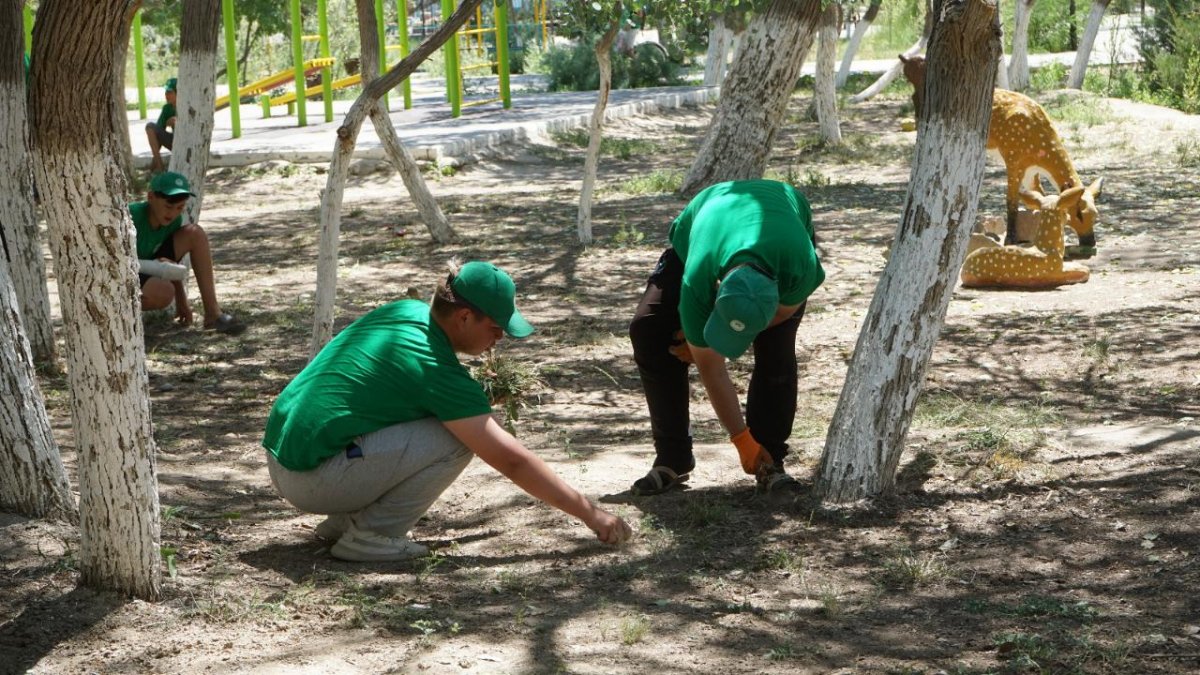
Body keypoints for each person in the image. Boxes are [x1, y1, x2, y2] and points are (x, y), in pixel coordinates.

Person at [262, 261, 633, 562]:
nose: (499, 340)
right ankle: (372, 536)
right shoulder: (437, 370)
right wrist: (592, 514)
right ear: (464, 317)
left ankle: (346, 522)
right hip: (312, 479)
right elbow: (512, 460)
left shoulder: (404, 311)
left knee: (451, 422)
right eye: (495, 328)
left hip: (282, 459)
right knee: (459, 436)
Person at [628, 179, 825, 496]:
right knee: (648, 329)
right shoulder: (699, 277)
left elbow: (783, 312)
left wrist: (707, 342)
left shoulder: (799, 267)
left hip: (782, 222)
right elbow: (712, 369)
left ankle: (770, 460)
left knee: (776, 348)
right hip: (709, 221)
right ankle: (673, 457)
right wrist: (740, 438)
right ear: (717, 288)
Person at [133, 171, 242, 333]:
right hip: (126, 272)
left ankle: (213, 313)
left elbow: (169, 260)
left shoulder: (172, 221)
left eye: (180, 207)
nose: (173, 213)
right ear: (150, 197)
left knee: (194, 233)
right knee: (163, 292)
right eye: (168, 206)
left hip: (152, 267)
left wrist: (182, 300)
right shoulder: (131, 215)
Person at [146, 77, 177, 173]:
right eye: (166, 92)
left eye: (170, 92)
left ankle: (155, 168)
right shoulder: (167, 108)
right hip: (174, 142)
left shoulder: (188, 106)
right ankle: (160, 167)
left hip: (187, 144)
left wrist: (179, 122)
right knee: (150, 127)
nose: (166, 95)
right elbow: (157, 134)